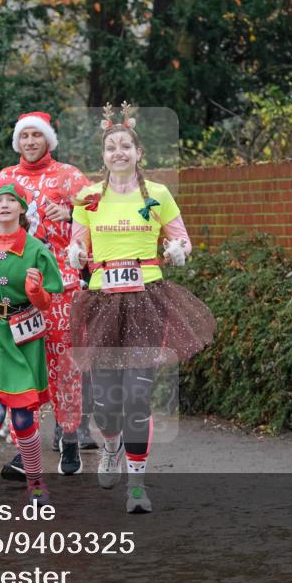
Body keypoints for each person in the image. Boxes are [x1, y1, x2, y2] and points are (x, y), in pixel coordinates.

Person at [67, 103, 215, 513]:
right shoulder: (88, 197)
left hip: (146, 299)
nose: (118, 152)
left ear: (138, 152)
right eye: (111, 146)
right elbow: (77, 244)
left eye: (125, 146)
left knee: (136, 396)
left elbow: (182, 240)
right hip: (101, 302)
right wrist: (75, 253)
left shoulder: (159, 194)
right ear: (103, 155)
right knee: (105, 403)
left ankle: (136, 485)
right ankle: (110, 445)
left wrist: (177, 249)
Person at [0, 111, 96, 481]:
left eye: (36, 136)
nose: (30, 142)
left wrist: (69, 214)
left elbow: (99, 216)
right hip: (19, 290)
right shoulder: (6, 178)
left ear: (49, 140)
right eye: (24, 137)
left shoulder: (69, 176)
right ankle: (26, 453)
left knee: (64, 367)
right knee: (23, 371)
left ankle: (69, 438)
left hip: (61, 289)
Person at [0, 180, 64, 504]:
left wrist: (36, 293)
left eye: (11, 200)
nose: (4, 205)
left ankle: (35, 481)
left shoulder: (36, 250)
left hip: (24, 338)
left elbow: (48, 299)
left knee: (22, 419)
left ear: (21, 209)